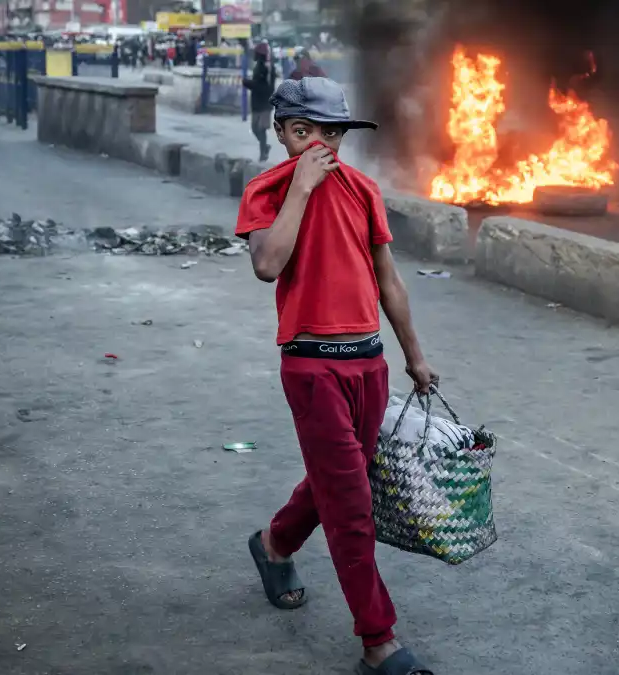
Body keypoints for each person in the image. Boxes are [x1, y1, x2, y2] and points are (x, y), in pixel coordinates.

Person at [236, 77, 437, 675]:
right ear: (282, 133)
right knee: (351, 502)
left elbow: (388, 280)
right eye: (305, 133)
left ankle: (274, 545)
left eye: (333, 134)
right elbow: (267, 265)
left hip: (369, 364)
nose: (321, 146)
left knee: (337, 478)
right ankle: (380, 643)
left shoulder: (364, 191)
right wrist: (300, 185)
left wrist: (414, 355)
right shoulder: (266, 191)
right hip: (311, 366)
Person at [243, 42, 275, 162]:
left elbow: (265, 87)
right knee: (255, 128)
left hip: (264, 103)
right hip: (257, 103)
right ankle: (265, 147)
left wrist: (248, 83)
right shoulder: (259, 67)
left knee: (261, 129)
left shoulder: (267, 68)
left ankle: (263, 153)